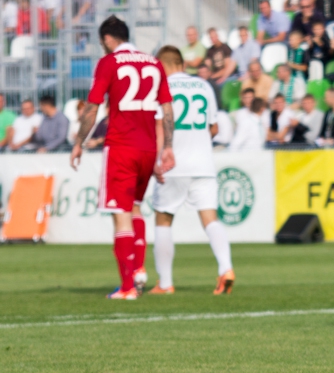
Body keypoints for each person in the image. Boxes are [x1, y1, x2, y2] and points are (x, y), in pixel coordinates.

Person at [70, 16, 174, 300]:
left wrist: (79, 142)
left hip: (121, 147)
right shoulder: (153, 62)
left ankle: (127, 287)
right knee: (136, 207)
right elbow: (166, 109)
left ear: (106, 39)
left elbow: (92, 107)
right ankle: (138, 270)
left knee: (121, 216)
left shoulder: (108, 63)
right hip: (148, 148)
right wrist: (167, 148)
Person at [148, 46, 235, 295]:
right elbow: (215, 128)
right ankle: (226, 268)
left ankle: (165, 283)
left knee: (163, 219)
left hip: (174, 163)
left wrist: (156, 160)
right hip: (204, 163)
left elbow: (159, 127)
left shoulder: (162, 89)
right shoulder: (204, 86)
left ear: (161, 66)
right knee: (210, 218)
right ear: (182, 64)